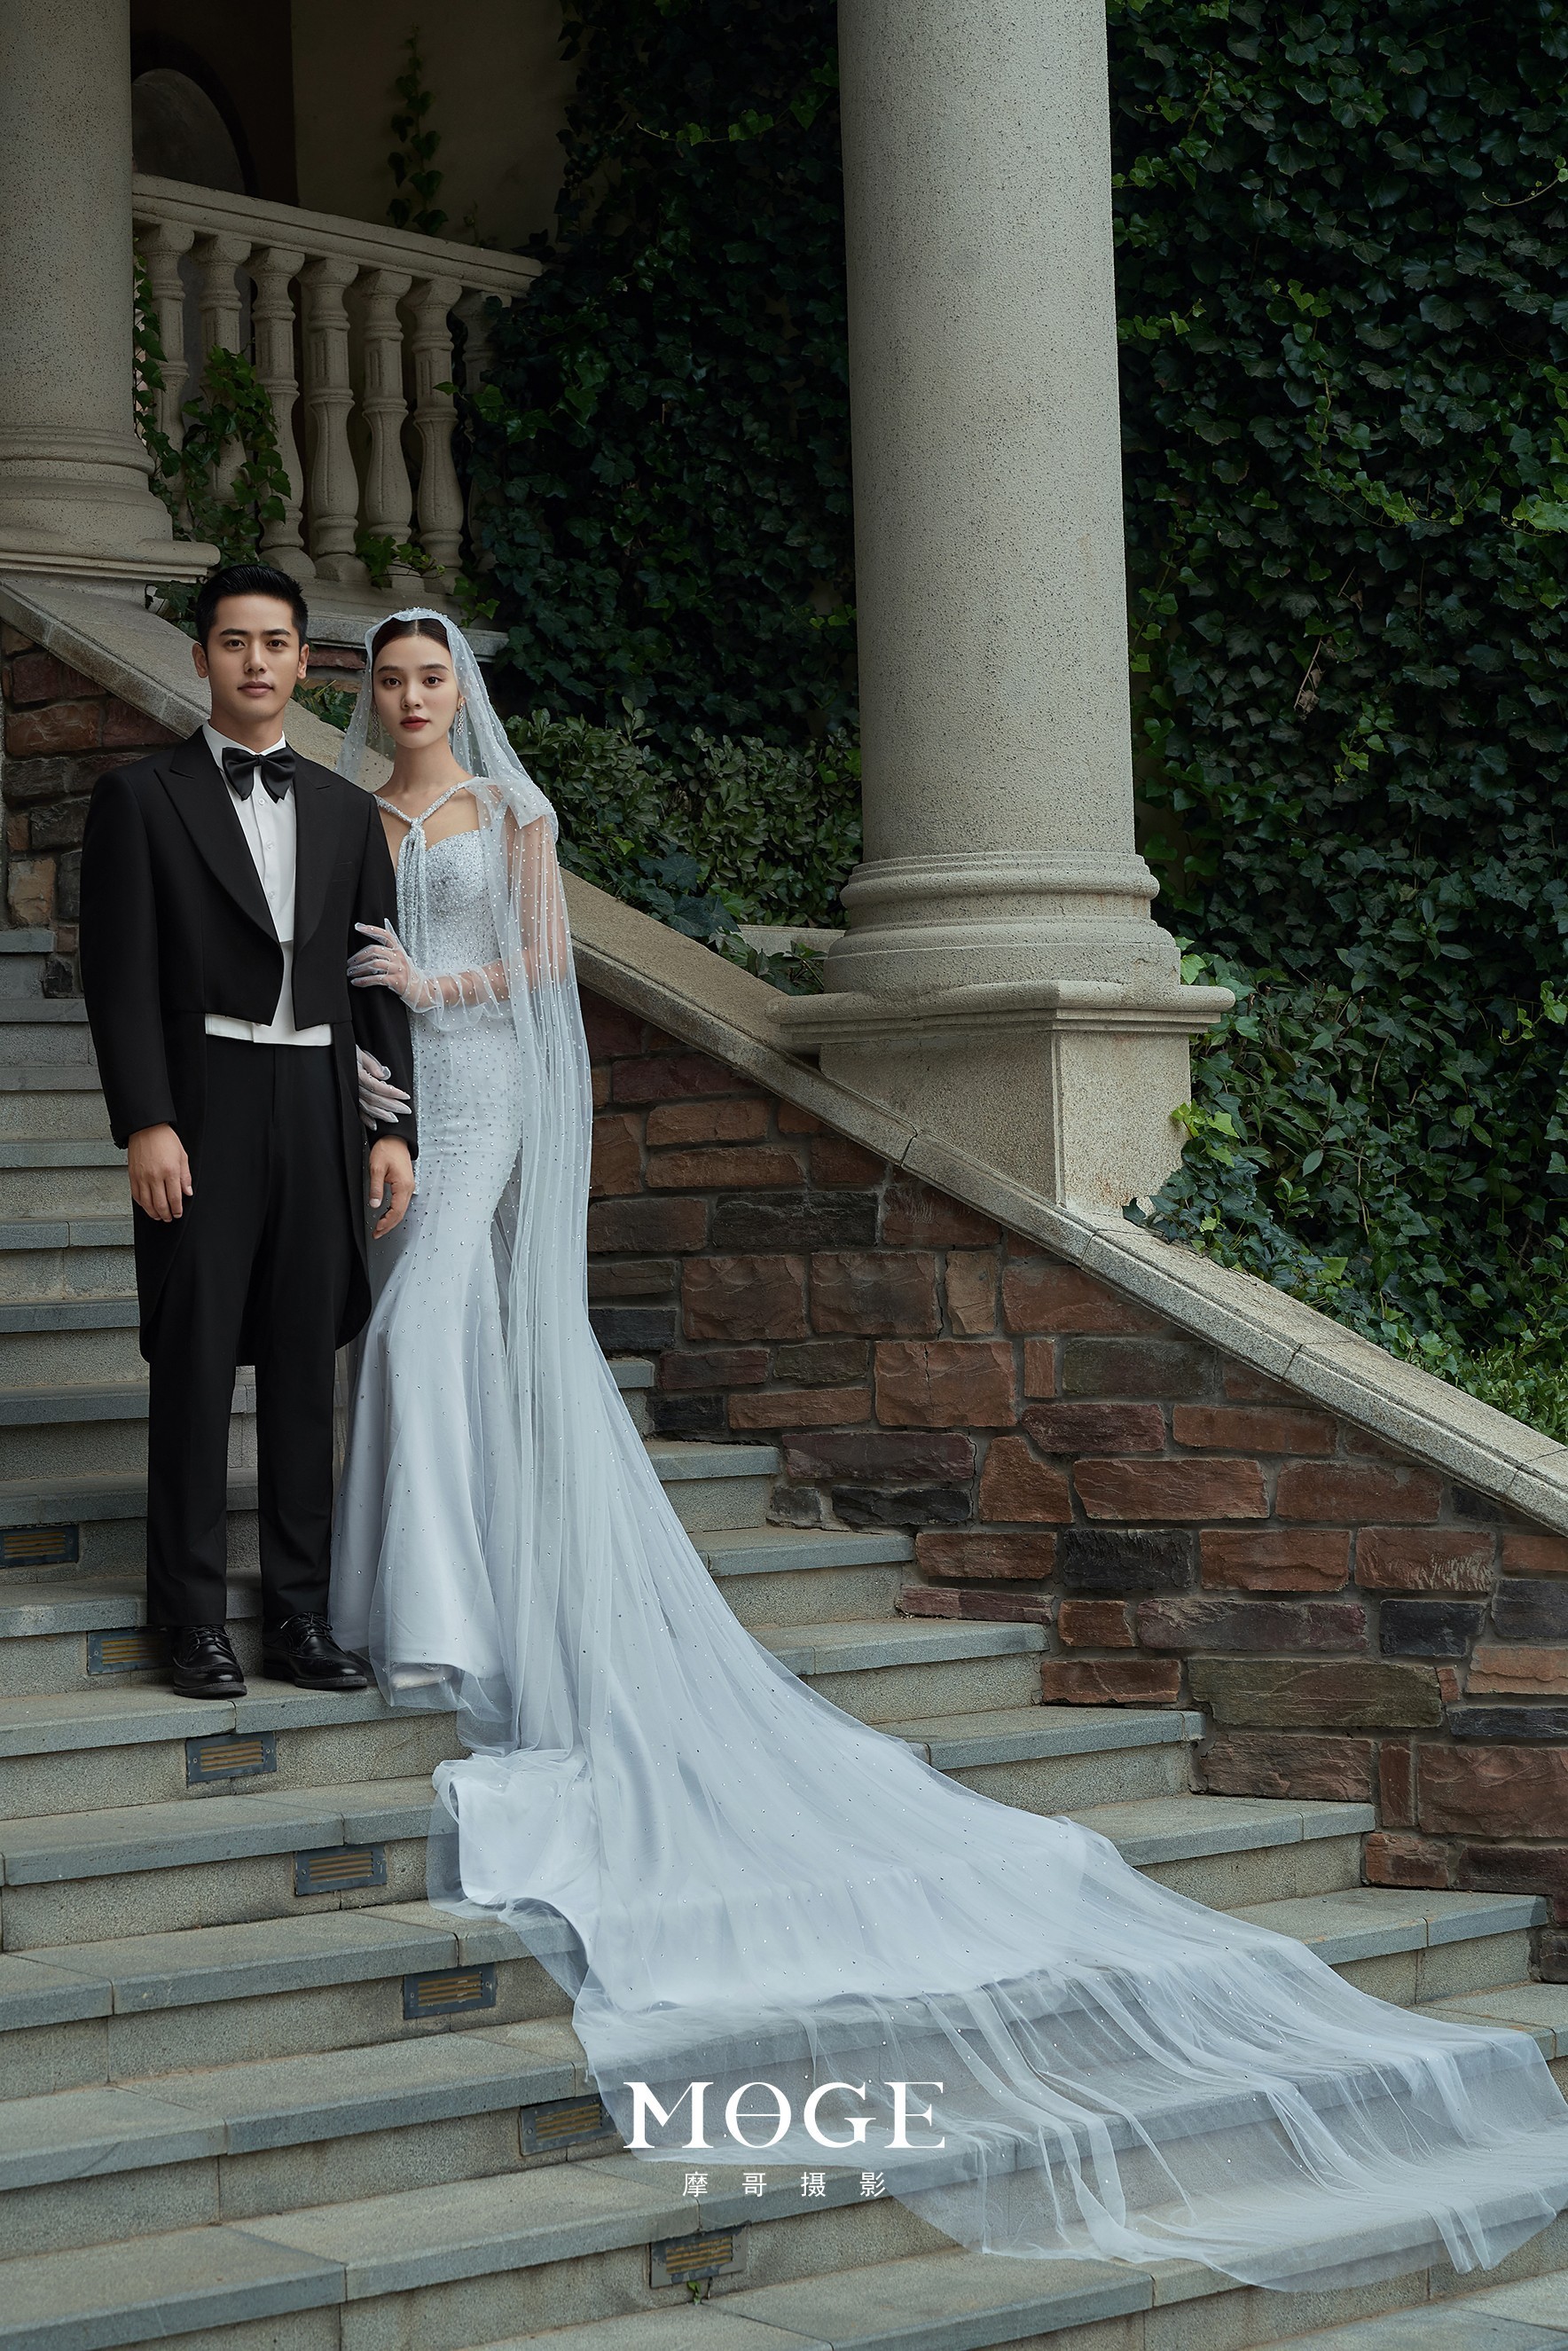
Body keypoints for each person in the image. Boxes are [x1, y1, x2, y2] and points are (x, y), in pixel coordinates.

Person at [333, 608, 1568, 2294]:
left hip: (489, 1083)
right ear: (368, 694)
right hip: (401, 1107)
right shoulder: (358, 812)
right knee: (420, 1333)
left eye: (430, 678)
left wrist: (434, 987)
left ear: (457, 693)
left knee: (439, 1333)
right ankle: (438, 1584)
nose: (411, 698)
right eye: (391, 680)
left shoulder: (509, 814)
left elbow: (543, 970)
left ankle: (447, 1613)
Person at [79, 564, 417, 1700]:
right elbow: (119, 979)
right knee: (193, 1359)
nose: (256, 661)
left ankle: (298, 1617)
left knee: (304, 1369)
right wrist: (147, 1119)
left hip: (320, 1100)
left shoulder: (347, 811)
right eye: (234, 642)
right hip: (203, 1101)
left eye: (275, 642)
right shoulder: (140, 798)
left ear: (304, 660)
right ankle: (189, 1620)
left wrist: (393, 1130)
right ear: (202, 657)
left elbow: (375, 979)